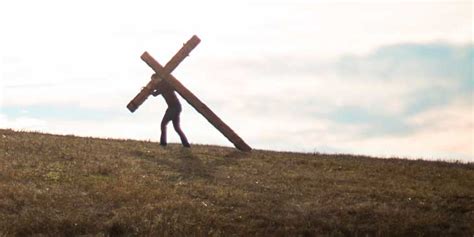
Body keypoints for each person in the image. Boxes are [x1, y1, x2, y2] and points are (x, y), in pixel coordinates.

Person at [150, 74, 190, 147]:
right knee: (176, 128)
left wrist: (148, 89)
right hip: (175, 107)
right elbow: (156, 91)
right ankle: (186, 144)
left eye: (153, 80)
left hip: (174, 107)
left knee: (163, 124)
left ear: (157, 79)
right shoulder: (163, 84)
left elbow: (155, 93)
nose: (152, 82)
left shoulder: (164, 84)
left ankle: (163, 143)